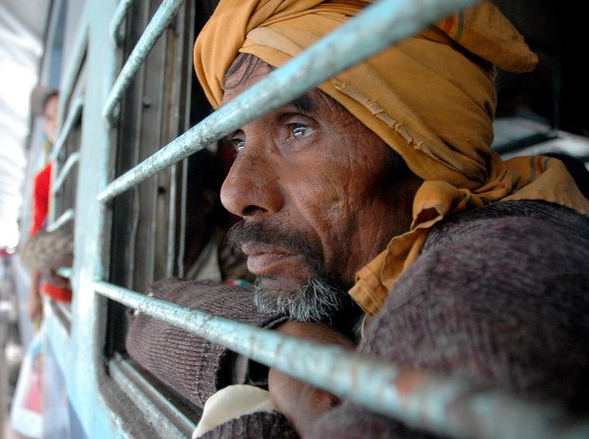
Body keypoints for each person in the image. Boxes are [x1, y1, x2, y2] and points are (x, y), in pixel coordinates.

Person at [181, 1, 589, 437]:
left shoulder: (494, 267)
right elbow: (153, 307)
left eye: (297, 128)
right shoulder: (356, 269)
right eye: (238, 140)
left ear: (420, 147)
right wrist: (282, 344)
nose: (234, 193)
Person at [23, 88, 73, 323]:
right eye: (49, 117)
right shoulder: (44, 179)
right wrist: (33, 293)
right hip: (61, 293)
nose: (54, 122)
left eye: (59, 112)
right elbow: (37, 231)